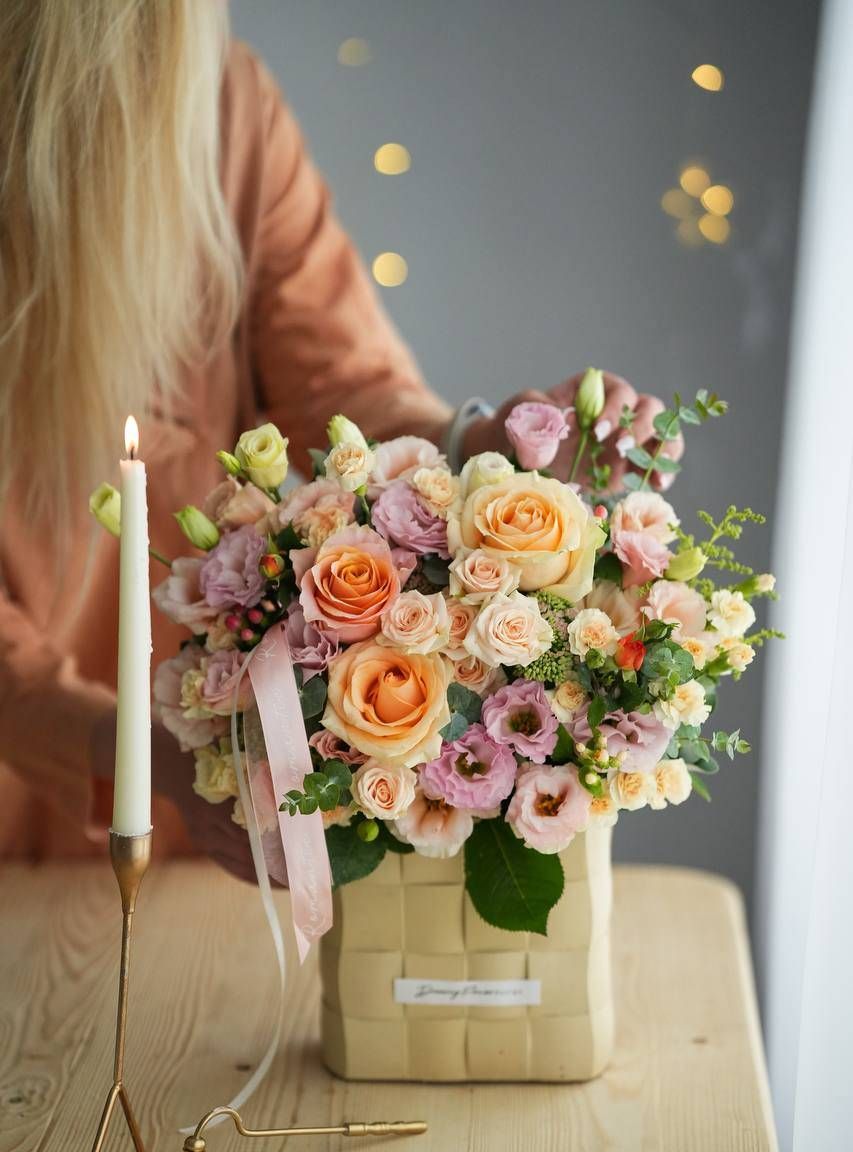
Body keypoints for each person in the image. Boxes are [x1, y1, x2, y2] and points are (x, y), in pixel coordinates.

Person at [0, 1, 671, 879]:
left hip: (206, 816)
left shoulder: (223, 103)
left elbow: (336, 383)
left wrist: (485, 440)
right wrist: (134, 755)